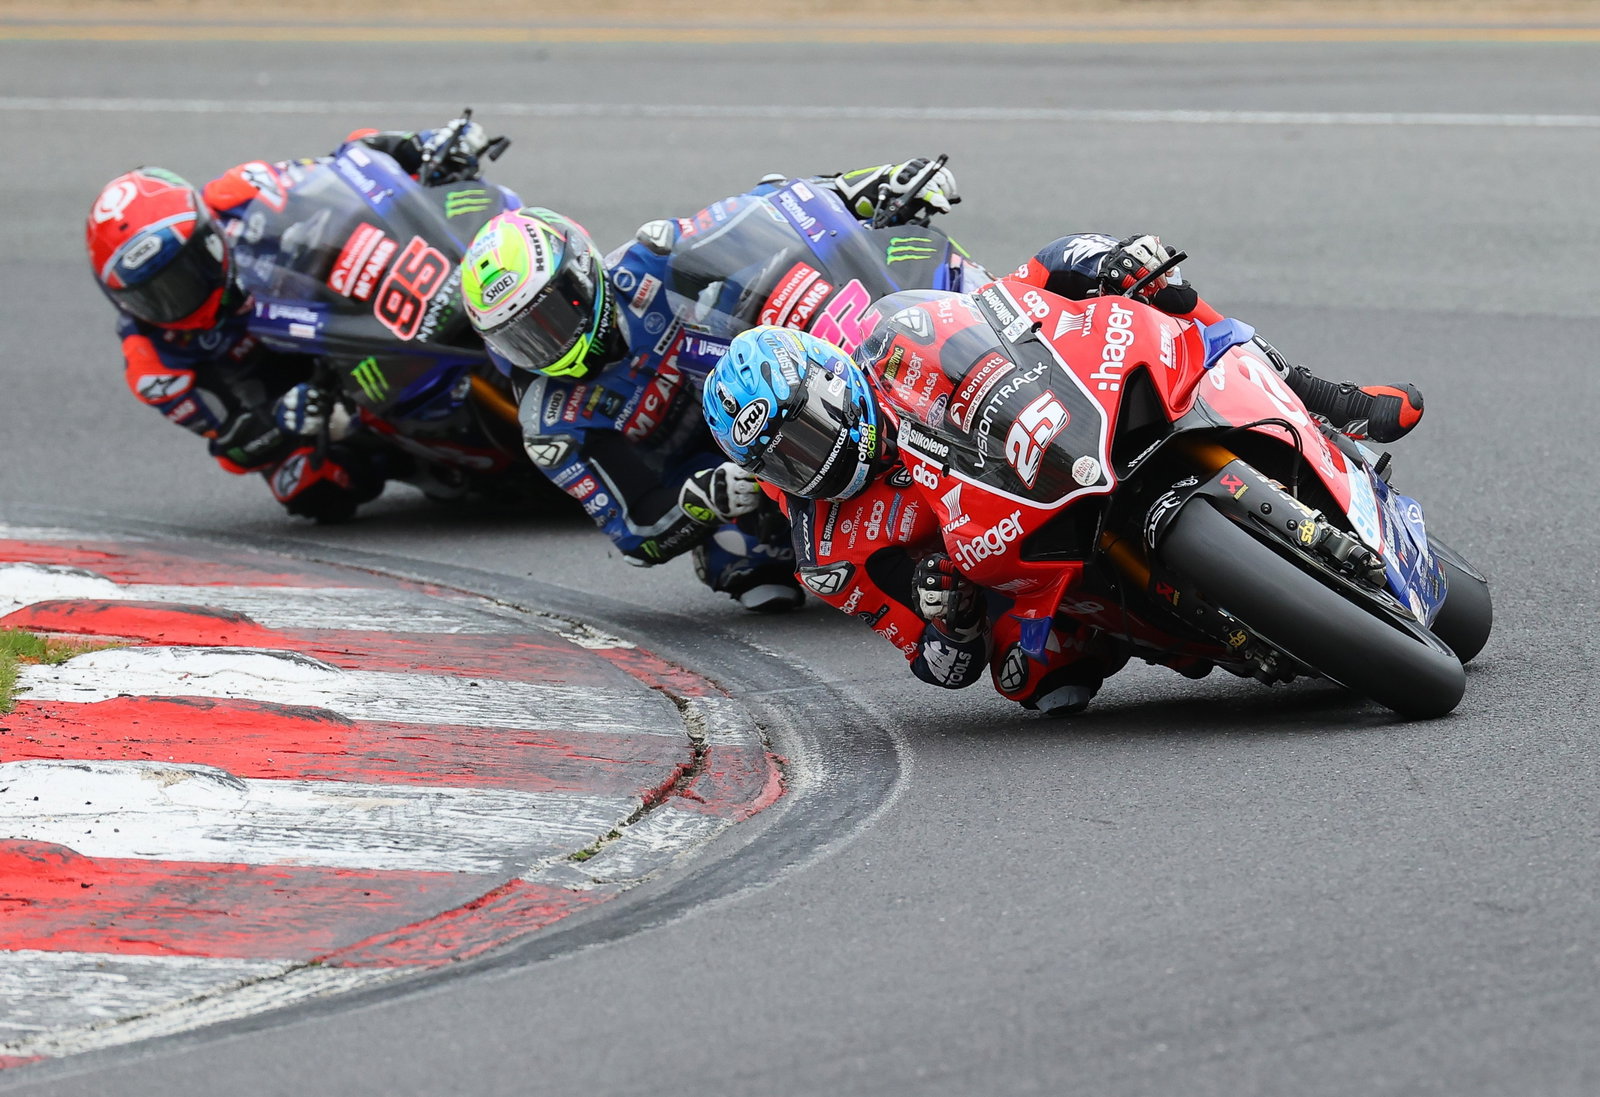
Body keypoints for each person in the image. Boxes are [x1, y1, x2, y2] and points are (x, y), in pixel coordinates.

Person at [700, 234, 1428, 714]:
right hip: (1015, 562)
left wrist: (1100, 259)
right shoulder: (828, 550)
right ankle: (1209, 629)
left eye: (804, 435)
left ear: (834, 384)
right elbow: (938, 665)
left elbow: (1014, 291)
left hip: (1052, 439)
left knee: (1157, 290)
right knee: (1040, 682)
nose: (809, 463)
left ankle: (1325, 397)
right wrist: (949, 617)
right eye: (781, 462)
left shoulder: (896, 348)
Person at [456, 158, 967, 612]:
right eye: (519, 336)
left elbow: (772, 207)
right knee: (753, 568)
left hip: (776, 384)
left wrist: (865, 186)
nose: (546, 341)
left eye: (550, 314)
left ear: (582, 273)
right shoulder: (550, 421)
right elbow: (635, 531)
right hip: (728, 468)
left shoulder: (650, 259)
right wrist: (700, 501)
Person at [87, 117, 518, 522]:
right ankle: (418, 462)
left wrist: (420, 147)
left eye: (180, 277)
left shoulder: (238, 192)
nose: (172, 300)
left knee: (456, 209)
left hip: (339, 298)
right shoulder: (155, 367)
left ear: (206, 241)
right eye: (150, 296)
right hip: (297, 390)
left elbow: (346, 166)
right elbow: (232, 445)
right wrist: (278, 421)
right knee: (310, 488)